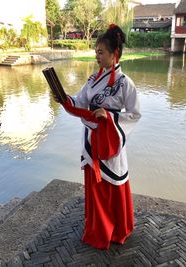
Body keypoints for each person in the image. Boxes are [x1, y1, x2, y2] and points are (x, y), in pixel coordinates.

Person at [53, 24, 141, 250]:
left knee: (111, 183)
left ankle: (116, 229)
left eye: (101, 52)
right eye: (96, 52)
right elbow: (80, 101)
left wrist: (109, 118)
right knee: (95, 185)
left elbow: (134, 114)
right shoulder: (92, 79)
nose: (97, 56)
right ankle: (97, 228)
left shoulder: (125, 83)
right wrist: (64, 98)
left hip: (110, 141)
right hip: (92, 139)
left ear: (115, 54)